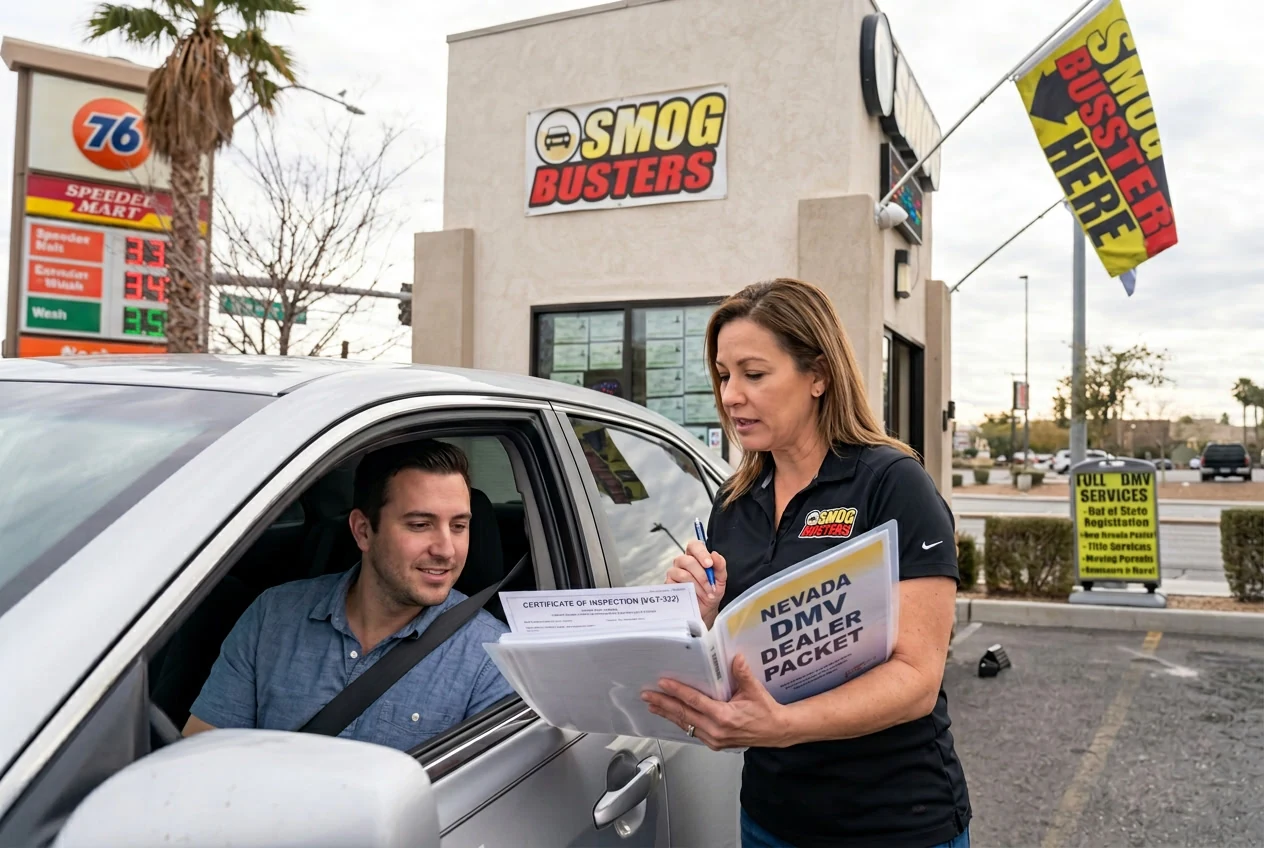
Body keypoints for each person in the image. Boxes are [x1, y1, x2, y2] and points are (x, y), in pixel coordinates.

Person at [642, 278, 971, 848]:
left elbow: (918, 679)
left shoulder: (892, 485)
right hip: (772, 818)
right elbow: (743, 656)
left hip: (894, 822)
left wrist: (784, 726)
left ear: (817, 374)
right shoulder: (734, 501)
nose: (730, 396)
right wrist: (703, 613)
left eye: (754, 373)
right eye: (723, 375)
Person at [184, 439, 513, 750]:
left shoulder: (493, 656)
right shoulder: (273, 616)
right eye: (420, 525)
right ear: (363, 530)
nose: (446, 550)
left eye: (459, 526)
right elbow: (200, 759)